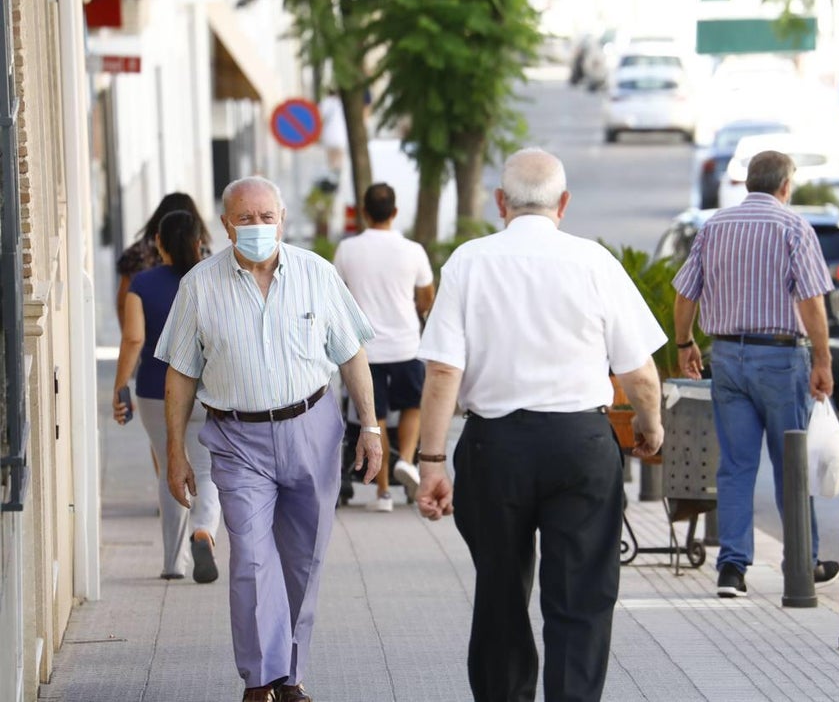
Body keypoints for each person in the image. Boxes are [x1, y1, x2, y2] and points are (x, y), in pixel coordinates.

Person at [416, 147, 666, 702]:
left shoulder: (468, 262)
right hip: (580, 443)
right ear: (564, 204)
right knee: (580, 597)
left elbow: (441, 371)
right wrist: (649, 427)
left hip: (493, 446)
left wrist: (431, 463)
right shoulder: (595, 262)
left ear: (500, 202)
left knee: (500, 593)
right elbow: (640, 373)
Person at [155, 176, 384, 702]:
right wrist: (175, 452)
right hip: (237, 438)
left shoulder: (316, 275)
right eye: (244, 218)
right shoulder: (199, 285)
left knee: (304, 557)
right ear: (225, 224)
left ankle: (292, 675)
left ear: (282, 218)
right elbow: (181, 374)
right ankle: (261, 680)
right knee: (253, 560)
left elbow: (351, 355)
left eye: (266, 217)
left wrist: (369, 428)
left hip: (313, 428)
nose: (257, 227)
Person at [671, 149, 839, 599]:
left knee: (736, 465)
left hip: (727, 358)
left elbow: (686, 293)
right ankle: (802, 563)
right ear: (785, 186)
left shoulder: (715, 227)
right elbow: (811, 302)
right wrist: (822, 360)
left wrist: (686, 344)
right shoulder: (794, 228)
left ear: (748, 183)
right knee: (792, 466)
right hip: (782, 360)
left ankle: (732, 569)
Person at [112, 210, 221, 583]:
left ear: (158, 242)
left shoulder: (141, 284)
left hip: (156, 391)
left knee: (168, 468)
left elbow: (134, 339)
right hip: (208, 390)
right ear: (198, 240)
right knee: (206, 470)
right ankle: (203, 530)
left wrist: (119, 385)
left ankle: (173, 563)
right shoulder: (213, 280)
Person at [334, 181, 435, 511]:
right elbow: (427, 299)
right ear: (395, 212)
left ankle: (383, 493)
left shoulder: (347, 250)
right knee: (412, 406)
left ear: (364, 212)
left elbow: (337, 295)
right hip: (406, 344)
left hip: (364, 349)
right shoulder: (413, 250)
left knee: (372, 416)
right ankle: (406, 460)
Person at [116, 191, 211, 328]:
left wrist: (129, 336)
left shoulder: (137, 253)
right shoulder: (200, 251)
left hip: (147, 336)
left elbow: (122, 304)